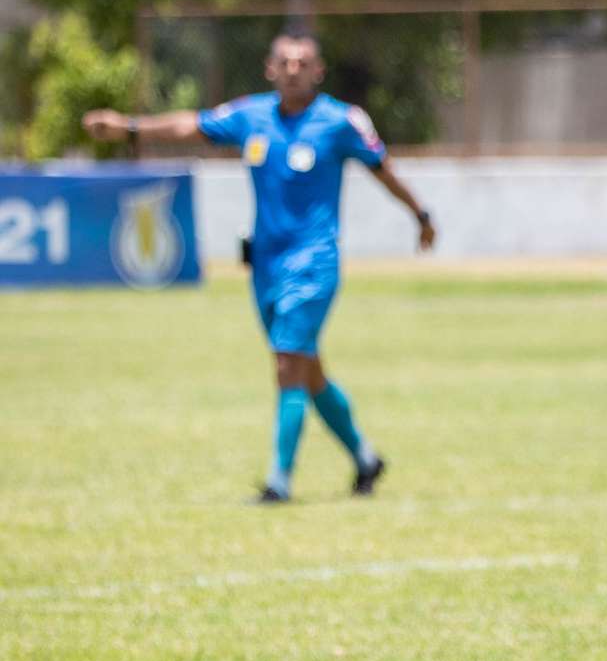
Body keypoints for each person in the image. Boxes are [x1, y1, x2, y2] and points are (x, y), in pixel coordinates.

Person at [84, 32, 436, 502]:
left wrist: (421, 215)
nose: (294, 69)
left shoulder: (339, 122)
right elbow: (192, 124)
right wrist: (129, 128)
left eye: (303, 62)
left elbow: (384, 170)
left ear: (319, 71)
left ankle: (278, 482)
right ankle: (366, 458)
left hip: (314, 262)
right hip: (266, 265)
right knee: (307, 372)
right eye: (285, 62)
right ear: (271, 70)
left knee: (287, 361)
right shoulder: (252, 116)